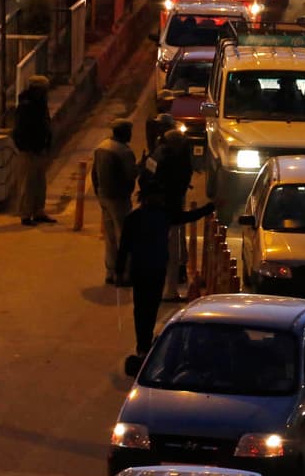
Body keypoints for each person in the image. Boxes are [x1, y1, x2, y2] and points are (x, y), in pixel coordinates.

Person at [116, 189, 215, 368]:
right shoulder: (163, 215)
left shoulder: (133, 218)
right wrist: (210, 207)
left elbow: (124, 247)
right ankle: (145, 343)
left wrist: (119, 270)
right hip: (156, 269)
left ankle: (142, 344)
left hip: (140, 270)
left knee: (141, 308)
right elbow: (188, 216)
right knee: (151, 307)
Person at [137, 122, 198, 300]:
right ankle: (170, 290)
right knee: (171, 251)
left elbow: (143, 178)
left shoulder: (155, 155)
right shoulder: (177, 159)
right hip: (169, 210)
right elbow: (181, 184)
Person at [92, 118, 137, 285]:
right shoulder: (123, 152)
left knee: (110, 237)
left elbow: (94, 173)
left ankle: (110, 272)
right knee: (124, 237)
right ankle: (124, 273)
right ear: (124, 132)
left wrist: (98, 193)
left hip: (103, 196)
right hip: (119, 198)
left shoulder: (101, 147)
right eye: (129, 131)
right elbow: (130, 174)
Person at [12, 75, 54, 226]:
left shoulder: (40, 104)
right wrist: (27, 146)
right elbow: (20, 130)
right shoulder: (26, 106)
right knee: (27, 184)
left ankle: (38, 211)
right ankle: (25, 214)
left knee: (39, 183)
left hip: (39, 148)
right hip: (29, 150)